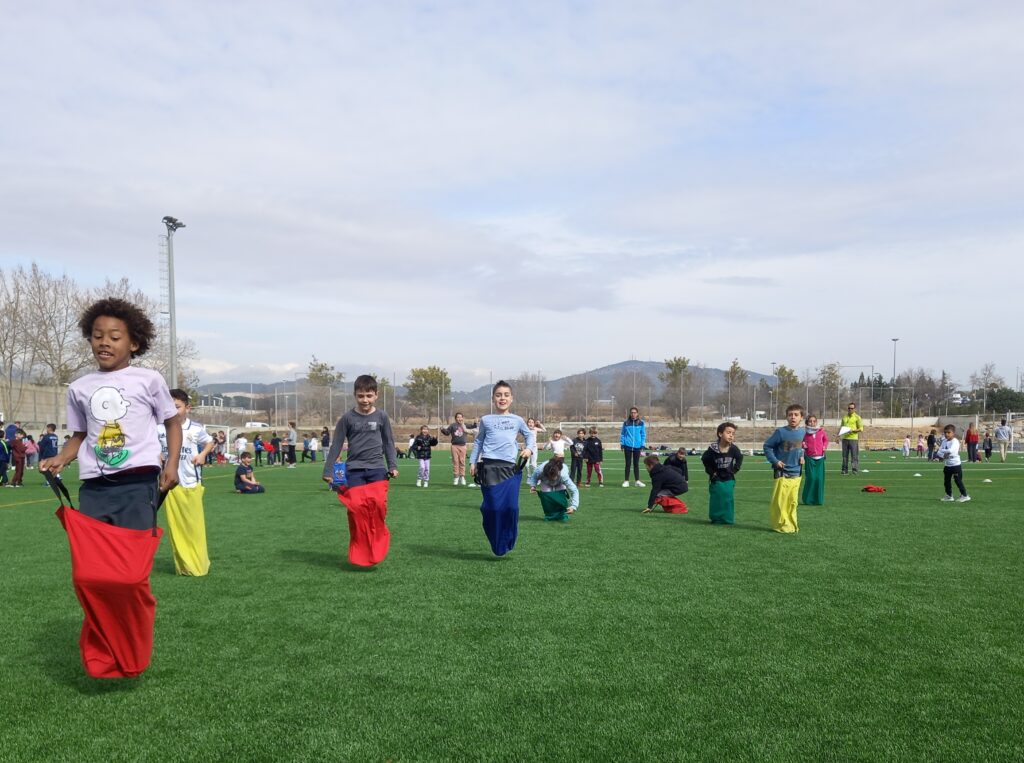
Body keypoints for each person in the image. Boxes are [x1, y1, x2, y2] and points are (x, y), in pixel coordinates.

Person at [39, 297, 181, 679]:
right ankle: (104, 652)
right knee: (89, 577)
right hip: (94, 490)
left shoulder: (149, 380)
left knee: (131, 577)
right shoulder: (80, 388)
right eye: (97, 335)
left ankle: (132, 647)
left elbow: (172, 424)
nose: (104, 342)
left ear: (133, 342)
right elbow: (80, 435)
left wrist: (170, 463)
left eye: (115, 336)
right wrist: (61, 459)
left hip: (138, 486)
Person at [321, 375, 399, 566]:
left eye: (369, 396)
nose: (365, 400)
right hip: (354, 470)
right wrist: (328, 470)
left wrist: (393, 465)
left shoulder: (381, 416)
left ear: (376, 395)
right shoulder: (347, 418)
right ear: (355, 395)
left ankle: (379, 542)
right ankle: (360, 550)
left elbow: (389, 442)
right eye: (361, 396)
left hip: (377, 470)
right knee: (356, 510)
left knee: (378, 506)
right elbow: (337, 444)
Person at [469, 381, 535, 556]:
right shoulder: (486, 420)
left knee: (511, 508)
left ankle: (509, 538)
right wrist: (473, 462)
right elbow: (479, 441)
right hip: (489, 467)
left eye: (506, 395)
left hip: (510, 469)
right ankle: (496, 541)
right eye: (498, 395)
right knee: (492, 509)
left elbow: (529, 436)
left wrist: (529, 449)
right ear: (493, 399)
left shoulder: (518, 420)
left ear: (511, 399)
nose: (502, 398)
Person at [158, 388, 216, 574]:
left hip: (190, 483)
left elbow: (210, 442)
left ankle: (198, 564)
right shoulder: (159, 428)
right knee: (176, 528)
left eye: (177, 407)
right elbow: (153, 446)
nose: (173, 411)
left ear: (187, 408)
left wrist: (202, 455)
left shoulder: (196, 428)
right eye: (169, 407)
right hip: (169, 486)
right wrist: (157, 454)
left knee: (193, 526)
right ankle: (183, 566)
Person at [763, 404, 805, 533]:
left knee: (793, 502)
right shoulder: (781, 432)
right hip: (782, 472)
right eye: (790, 415)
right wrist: (775, 461)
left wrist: (803, 456)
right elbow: (767, 446)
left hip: (797, 471)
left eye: (796, 415)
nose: (793, 417)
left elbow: (801, 447)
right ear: (786, 417)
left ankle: (791, 525)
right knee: (781, 502)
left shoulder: (803, 432)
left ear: (801, 417)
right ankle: (780, 525)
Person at [701, 421, 743, 524]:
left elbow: (739, 457)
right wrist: (711, 473)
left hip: (729, 477)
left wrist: (735, 469)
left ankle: (728, 519)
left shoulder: (733, 448)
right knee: (717, 498)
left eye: (733, 433)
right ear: (720, 434)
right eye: (728, 432)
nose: (731, 435)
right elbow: (704, 459)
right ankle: (716, 518)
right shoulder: (712, 449)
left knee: (728, 497)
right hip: (716, 478)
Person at [527, 455, 579, 521]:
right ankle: (549, 515)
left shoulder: (563, 475)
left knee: (560, 497)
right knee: (546, 496)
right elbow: (534, 476)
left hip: (559, 481)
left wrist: (574, 506)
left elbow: (574, 490)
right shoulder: (539, 470)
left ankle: (562, 514)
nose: (551, 479)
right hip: (545, 482)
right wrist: (533, 486)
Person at [935, 424, 970, 502]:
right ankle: (949, 495)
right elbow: (939, 453)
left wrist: (942, 452)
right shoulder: (944, 441)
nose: (946, 434)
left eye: (948, 432)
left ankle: (965, 495)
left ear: (953, 433)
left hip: (955, 464)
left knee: (958, 481)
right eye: (945, 433)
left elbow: (951, 451)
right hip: (947, 464)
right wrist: (943, 454)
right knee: (946, 481)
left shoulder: (955, 442)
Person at [440, 412, 477, 486]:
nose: (459, 418)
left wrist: (475, 423)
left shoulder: (465, 425)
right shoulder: (452, 426)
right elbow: (447, 433)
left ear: (463, 418)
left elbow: (473, 427)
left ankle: (462, 477)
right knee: (455, 462)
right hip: (454, 446)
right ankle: (456, 477)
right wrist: (442, 429)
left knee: (462, 462)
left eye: (461, 417)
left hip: (463, 446)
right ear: (455, 418)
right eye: (458, 417)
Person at [801, 414, 828, 506]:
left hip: (820, 458)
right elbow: (801, 441)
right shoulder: (804, 432)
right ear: (807, 422)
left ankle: (818, 500)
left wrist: (824, 447)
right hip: (809, 458)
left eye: (814, 421)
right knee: (811, 478)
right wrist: (803, 445)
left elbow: (825, 440)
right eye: (810, 421)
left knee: (819, 479)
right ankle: (807, 499)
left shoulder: (821, 431)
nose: (812, 423)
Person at [620, 407, 647, 487]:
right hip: (627, 445)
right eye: (632, 412)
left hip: (637, 446)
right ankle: (626, 481)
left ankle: (637, 481)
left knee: (636, 464)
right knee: (628, 464)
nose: (633, 414)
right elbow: (623, 434)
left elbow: (643, 434)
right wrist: (622, 443)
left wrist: (642, 444)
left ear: (637, 413)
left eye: (635, 412)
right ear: (630, 413)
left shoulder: (641, 423)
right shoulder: (626, 423)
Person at [838, 402, 863, 475]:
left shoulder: (857, 417)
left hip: (853, 439)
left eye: (852, 408)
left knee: (854, 456)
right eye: (849, 408)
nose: (850, 409)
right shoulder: (844, 417)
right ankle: (844, 470)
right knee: (844, 456)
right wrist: (838, 436)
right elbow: (841, 427)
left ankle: (854, 470)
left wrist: (853, 430)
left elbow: (861, 429)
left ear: (854, 409)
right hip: (845, 439)